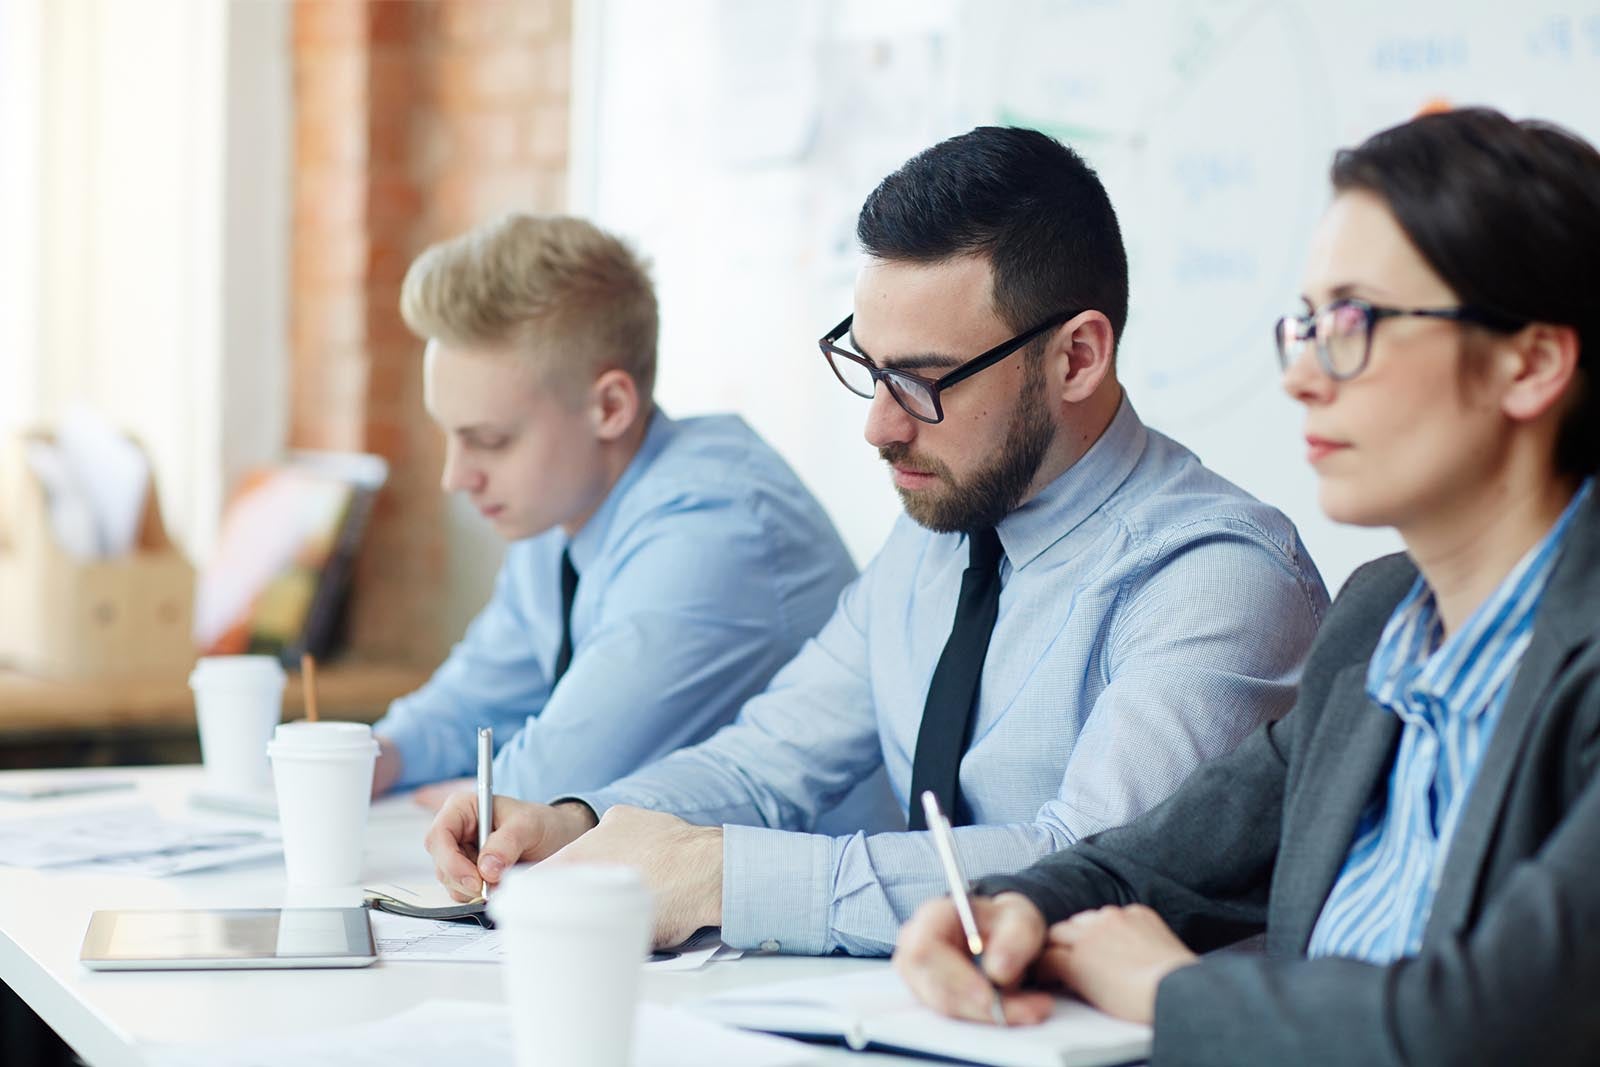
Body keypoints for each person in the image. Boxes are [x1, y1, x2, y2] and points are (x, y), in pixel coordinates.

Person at [424, 127, 1329, 955]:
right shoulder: (938, 534)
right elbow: (769, 758)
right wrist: (584, 821)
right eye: (866, 366)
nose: (880, 426)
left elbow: (1086, 869)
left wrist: (722, 874)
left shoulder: (1219, 577)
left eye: (922, 380)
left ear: (1078, 358)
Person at [893, 107, 1600, 1065]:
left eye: (1354, 323)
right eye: (1303, 325)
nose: (1303, 376)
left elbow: (1485, 1027)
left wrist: (1175, 990)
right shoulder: (1380, 619)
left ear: (1533, 362)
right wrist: (1009, 912)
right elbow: (1150, 862)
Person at [370, 213, 857, 805]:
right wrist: (374, 757)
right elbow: (476, 698)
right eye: (450, 436)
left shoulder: (715, 530)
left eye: (491, 441)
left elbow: (548, 788)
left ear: (609, 407)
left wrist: (471, 790)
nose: (456, 477)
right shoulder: (560, 510)